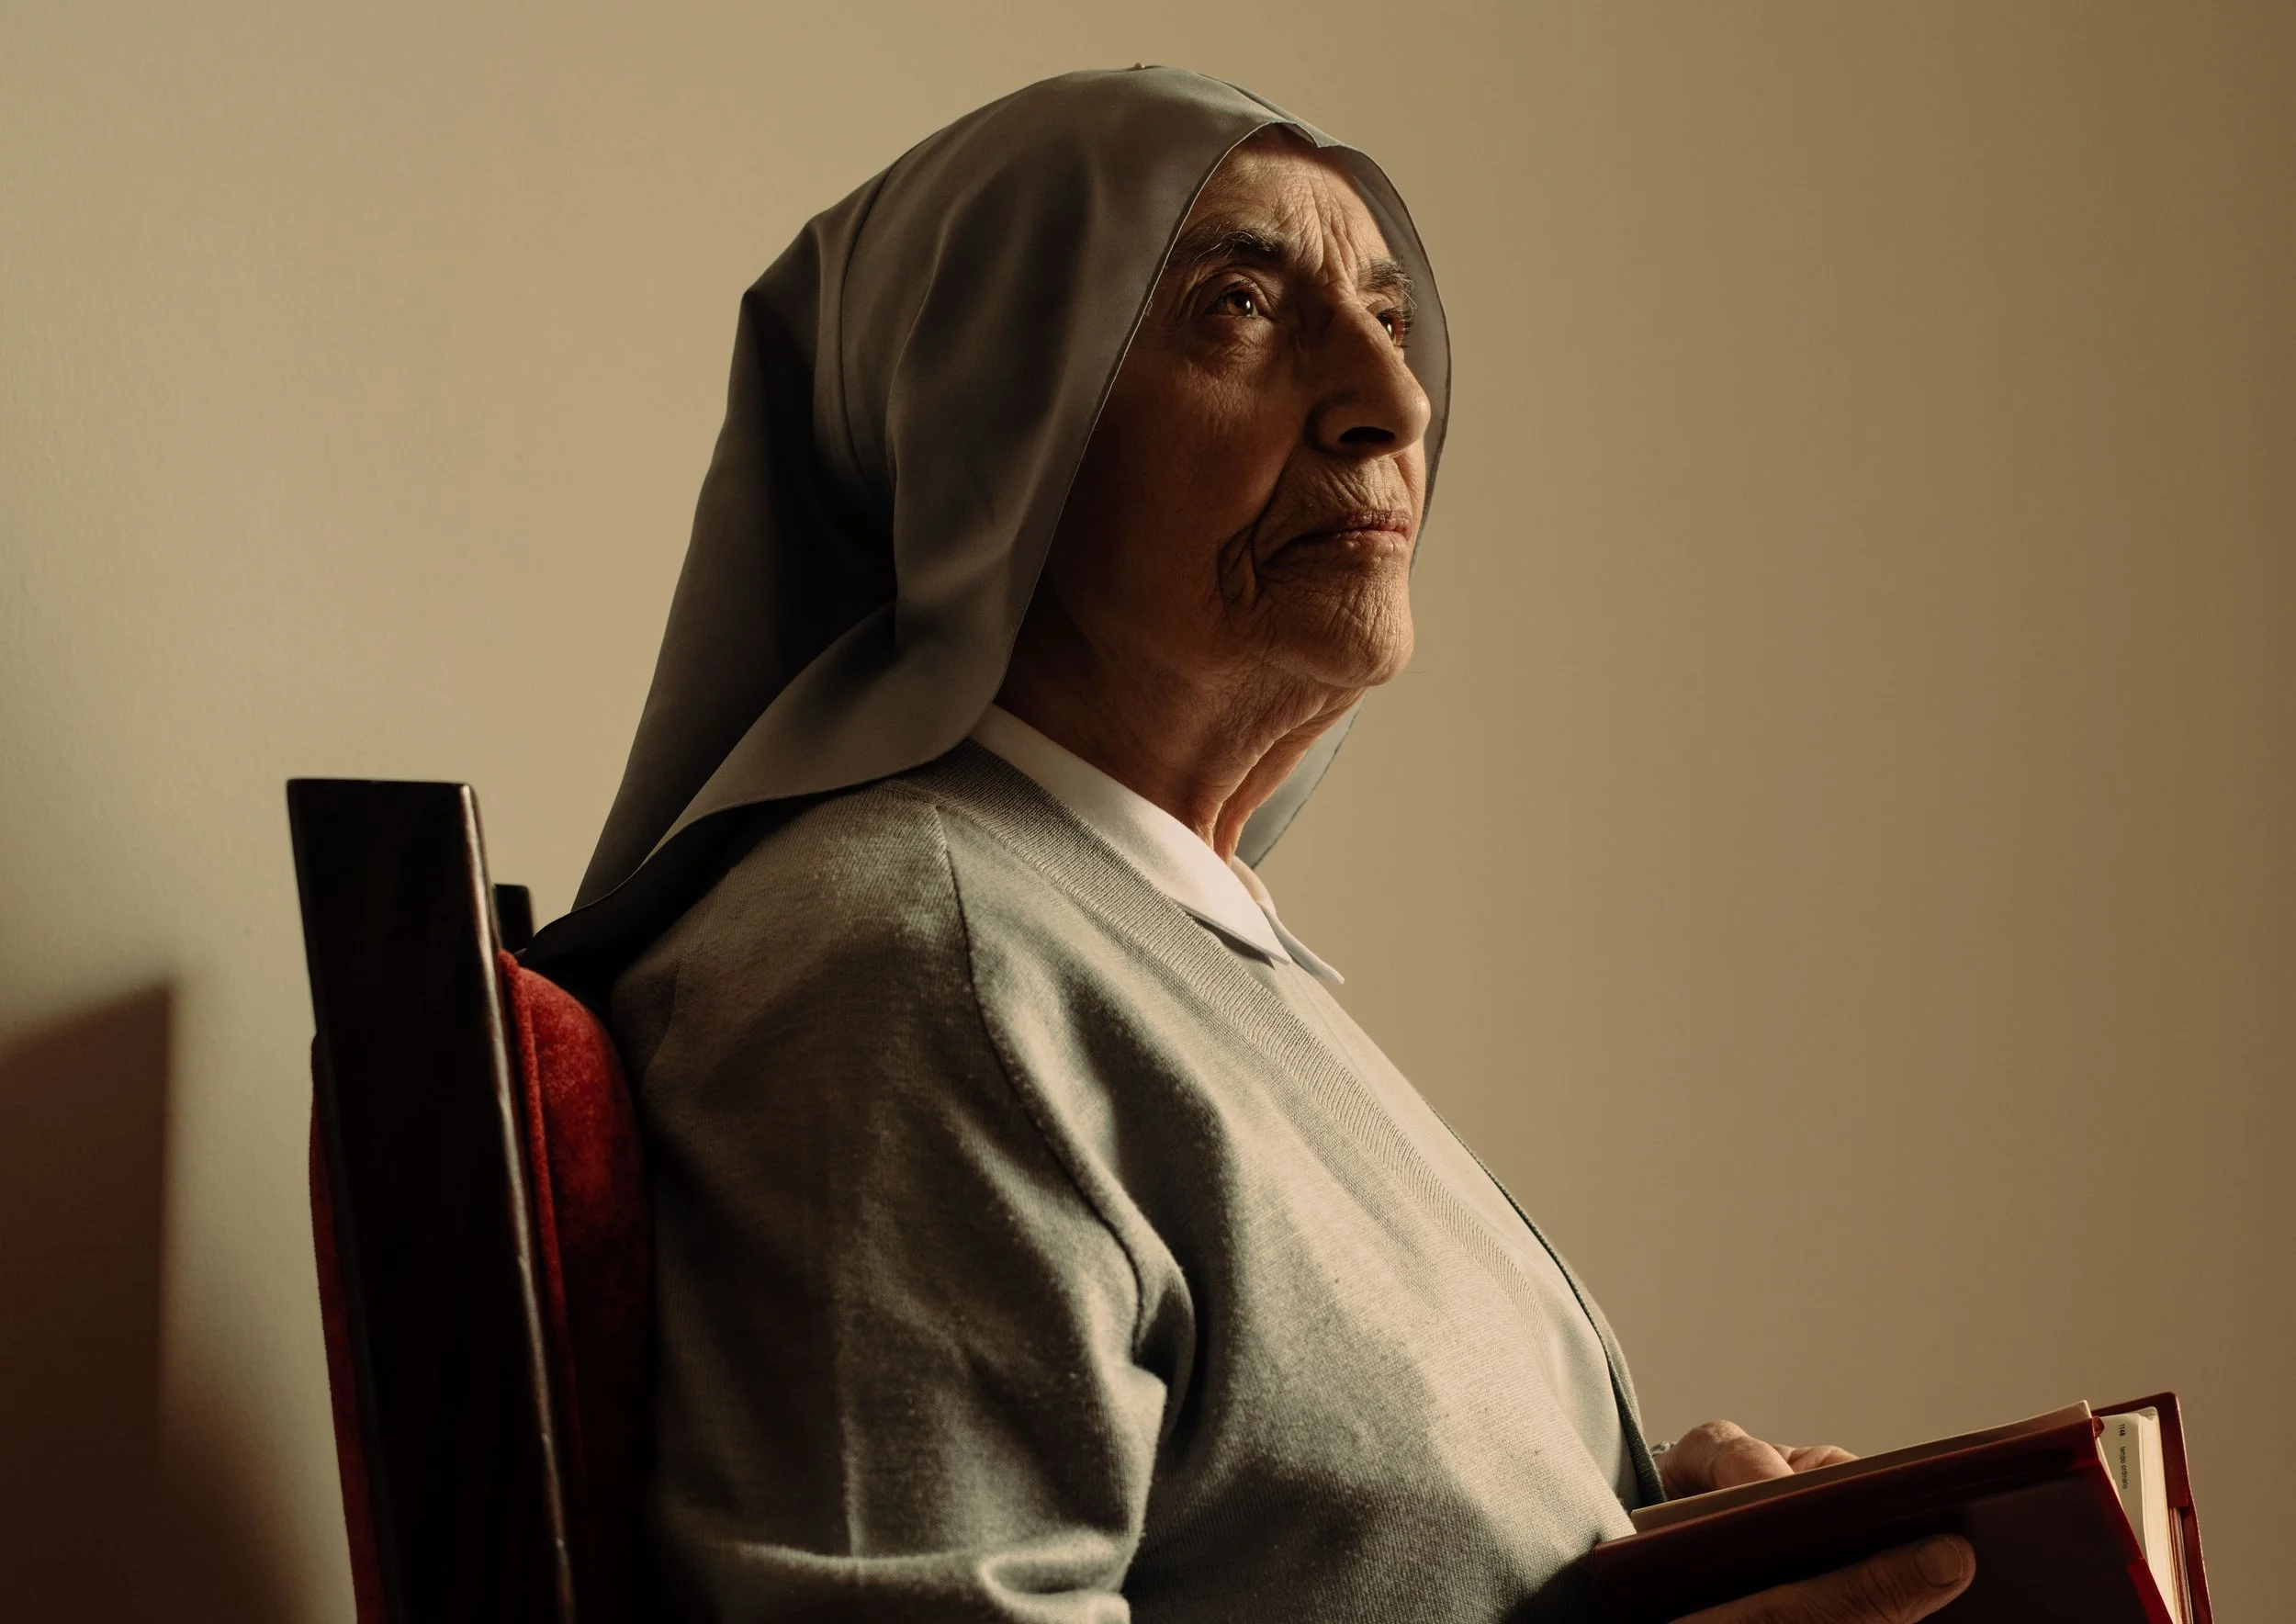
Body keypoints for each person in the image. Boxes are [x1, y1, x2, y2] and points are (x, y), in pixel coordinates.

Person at [527, 67, 1976, 1623]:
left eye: (1392, 320)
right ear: (985, 426)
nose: (1395, 403)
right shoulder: (909, 965)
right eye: (1238, 305)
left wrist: (1661, 1546)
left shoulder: (1169, 948)